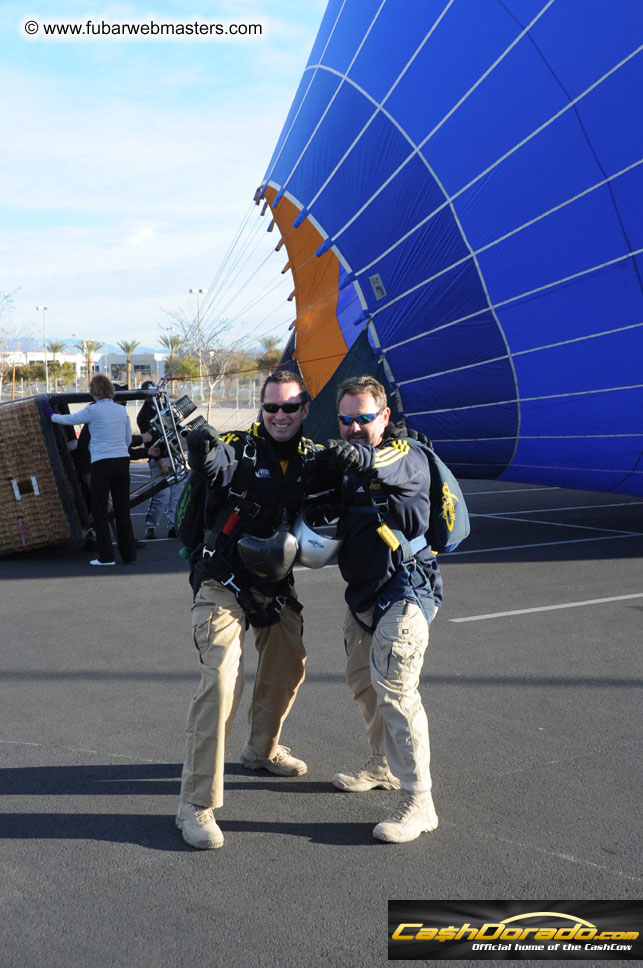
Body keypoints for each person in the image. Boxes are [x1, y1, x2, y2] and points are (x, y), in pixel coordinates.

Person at [176, 370, 317, 850]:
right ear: (261, 409)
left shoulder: (312, 459)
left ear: (305, 410)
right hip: (222, 582)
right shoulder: (241, 447)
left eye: (290, 408)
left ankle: (261, 749)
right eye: (271, 407)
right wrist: (204, 451)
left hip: (274, 584)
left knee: (289, 662)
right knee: (220, 679)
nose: (280, 416)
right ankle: (196, 804)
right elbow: (217, 465)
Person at [310, 375, 444, 844]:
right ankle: (382, 765)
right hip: (363, 594)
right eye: (345, 419)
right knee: (364, 684)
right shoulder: (348, 464)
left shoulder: (406, 456)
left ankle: (419, 801)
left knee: (396, 690)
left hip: (406, 590)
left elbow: (380, 460)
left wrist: (358, 454)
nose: (352, 427)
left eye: (363, 418)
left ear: (384, 417)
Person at [50, 373, 136, 566]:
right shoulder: (121, 411)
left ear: (93, 391)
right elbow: (128, 440)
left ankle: (106, 557)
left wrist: (50, 414)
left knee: (100, 511)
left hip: (101, 462)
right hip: (122, 461)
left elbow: (69, 419)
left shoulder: (93, 410)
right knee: (123, 510)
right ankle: (129, 555)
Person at [137, 380, 181, 539]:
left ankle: (173, 525)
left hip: (174, 454)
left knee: (177, 493)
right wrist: (161, 462)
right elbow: (150, 443)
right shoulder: (143, 415)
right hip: (159, 458)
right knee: (161, 494)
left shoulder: (164, 407)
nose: (153, 396)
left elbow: (176, 428)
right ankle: (151, 525)